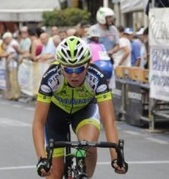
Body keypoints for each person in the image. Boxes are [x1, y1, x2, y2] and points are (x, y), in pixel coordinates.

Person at [32, 36, 128, 178]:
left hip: (84, 111)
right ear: (60, 66)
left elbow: (109, 122)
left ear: (88, 64)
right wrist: (42, 159)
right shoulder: (51, 78)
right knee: (54, 173)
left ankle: (83, 173)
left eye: (79, 69)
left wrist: (116, 158)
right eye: (69, 70)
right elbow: (38, 123)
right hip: (56, 113)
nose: (74, 75)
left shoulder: (97, 78)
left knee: (88, 144)